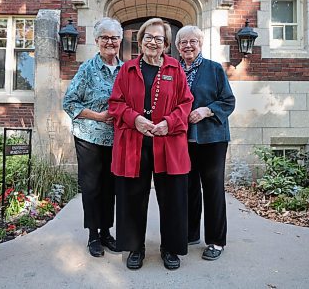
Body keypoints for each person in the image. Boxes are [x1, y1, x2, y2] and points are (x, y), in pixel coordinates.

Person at [108, 18, 193, 270]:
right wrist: (135, 119)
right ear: (140, 41)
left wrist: (169, 122)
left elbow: (186, 103)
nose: (153, 42)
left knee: (172, 197)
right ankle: (135, 248)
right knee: (133, 196)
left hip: (168, 141)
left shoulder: (175, 69)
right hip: (134, 141)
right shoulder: (127, 69)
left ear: (166, 44)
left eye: (159, 38)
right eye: (148, 37)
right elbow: (115, 103)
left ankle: (170, 248)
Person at [62, 17, 123, 257]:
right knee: (92, 187)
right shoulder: (87, 69)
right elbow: (69, 102)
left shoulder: (126, 69)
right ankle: (93, 236)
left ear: (120, 41)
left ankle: (107, 232)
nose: (110, 42)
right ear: (97, 41)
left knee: (111, 187)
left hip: (117, 139)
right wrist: (98, 116)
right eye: (105, 38)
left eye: (114, 38)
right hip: (90, 137)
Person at [175, 25, 236, 261]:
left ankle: (216, 241)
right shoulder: (173, 69)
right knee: (188, 187)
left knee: (212, 189)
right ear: (177, 47)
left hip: (212, 139)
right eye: (183, 42)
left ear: (200, 44)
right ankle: (191, 233)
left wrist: (207, 110)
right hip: (182, 140)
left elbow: (228, 101)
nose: (187, 46)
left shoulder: (213, 69)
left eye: (192, 42)